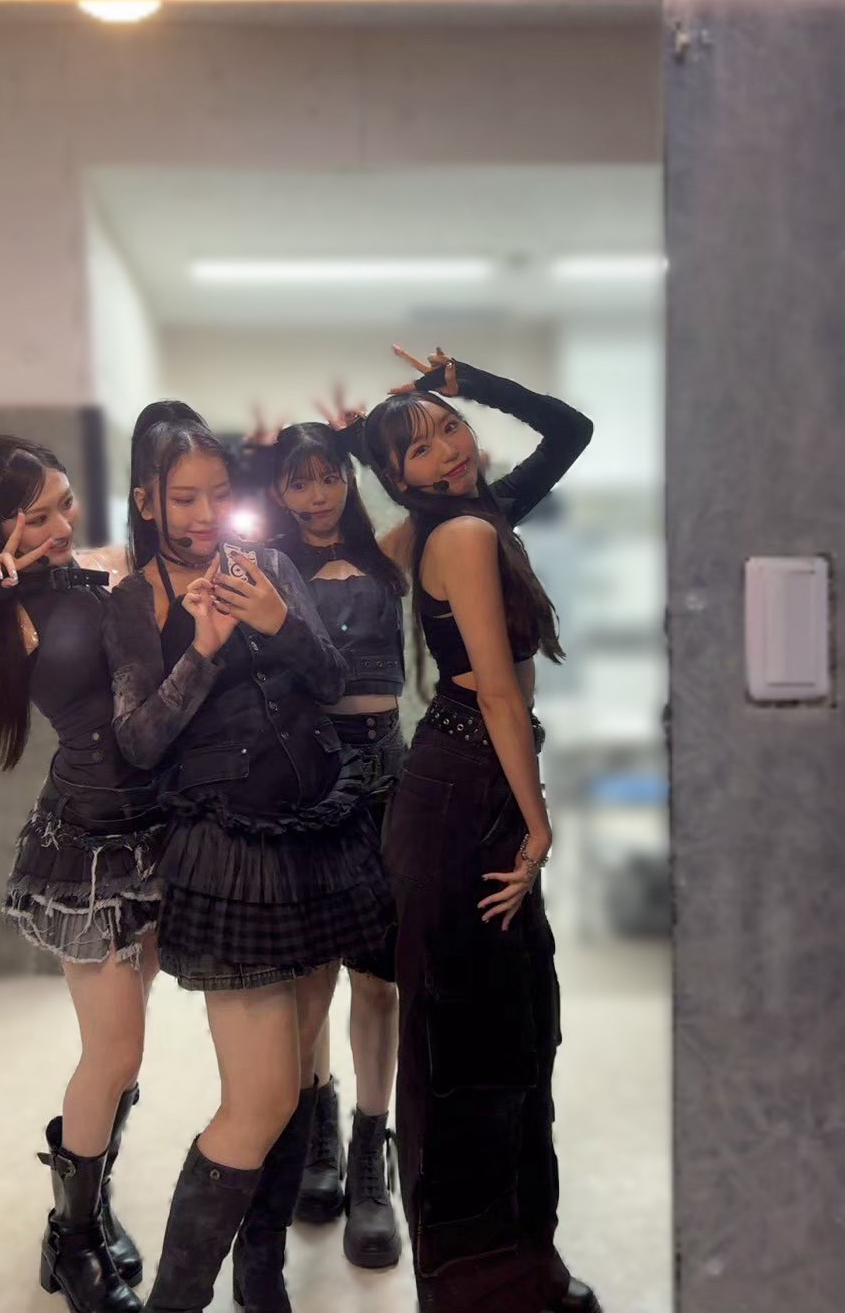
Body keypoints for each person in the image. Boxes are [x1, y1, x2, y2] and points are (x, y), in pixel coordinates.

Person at [0, 433, 232, 1313]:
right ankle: (70, 1237)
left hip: (161, 829)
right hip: (88, 849)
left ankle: (91, 1199)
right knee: (116, 1051)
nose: (60, 527)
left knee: (122, 1047)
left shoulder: (108, 565)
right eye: (36, 516)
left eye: (65, 503)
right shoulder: (2, 616)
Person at [116, 402, 395, 1313]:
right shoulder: (135, 599)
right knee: (262, 1095)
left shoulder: (268, 563)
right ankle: (176, 1299)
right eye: (182, 498)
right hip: (230, 857)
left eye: (217, 493)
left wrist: (278, 620)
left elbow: (331, 679)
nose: (203, 515)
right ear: (147, 500)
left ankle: (262, 1273)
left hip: (317, 838)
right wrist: (202, 646)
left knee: (299, 1076)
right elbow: (140, 739)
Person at [358, 348, 600, 1313]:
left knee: (509, 1027)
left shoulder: (475, 514)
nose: (449, 449)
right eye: (420, 448)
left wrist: (468, 379)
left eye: (449, 428)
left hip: (467, 779)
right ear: (397, 477)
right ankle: (479, 1282)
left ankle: (521, 1265)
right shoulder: (456, 534)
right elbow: (498, 692)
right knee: (473, 1037)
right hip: (468, 789)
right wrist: (539, 827)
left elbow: (571, 430)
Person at [240, 410, 407, 1271]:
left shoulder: (392, 550)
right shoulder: (269, 563)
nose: (316, 493)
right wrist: (256, 452)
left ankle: (373, 1157)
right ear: (277, 487)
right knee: (310, 976)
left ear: (350, 476)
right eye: (297, 479)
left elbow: (497, 493)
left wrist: (373, 428)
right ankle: (320, 1130)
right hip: (310, 773)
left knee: (378, 978)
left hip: (390, 774)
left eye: (329, 474)